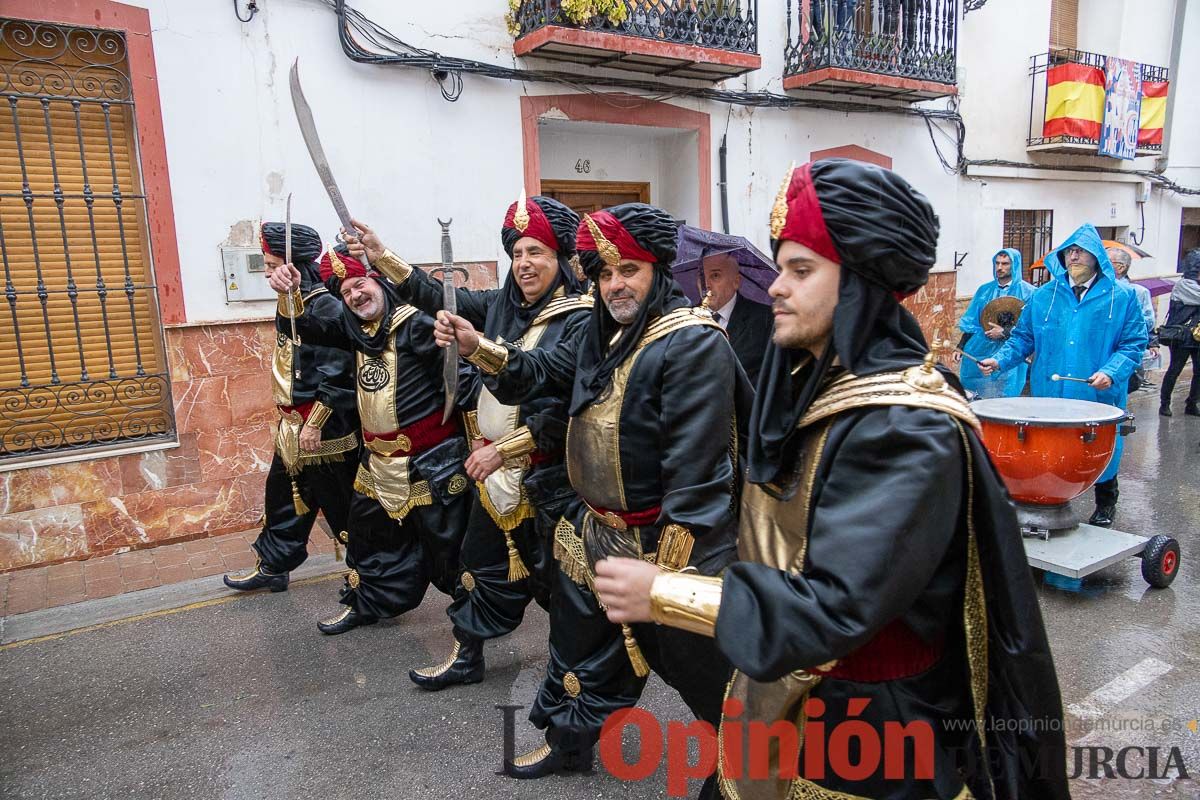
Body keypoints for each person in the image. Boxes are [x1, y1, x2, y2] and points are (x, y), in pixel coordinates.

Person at [594, 158, 1070, 799]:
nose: (777, 288)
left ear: (862, 285)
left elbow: (836, 607)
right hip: (783, 694)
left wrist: (666, 593)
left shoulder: (906, 426)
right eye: (780, 266)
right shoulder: (818, 384)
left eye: (801, 269)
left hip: (872, 734)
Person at [433, 203, 746, 788]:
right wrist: (477, 345)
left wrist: (663, 579)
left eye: (627, 269)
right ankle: (569, 744)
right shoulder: (603, 335)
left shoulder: (691, 343)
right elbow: (536, 372)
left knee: (706, 679)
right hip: (592, 532)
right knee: (574, 652)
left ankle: (747, 768)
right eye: (603, 273)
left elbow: (698, 476)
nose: (614, 284)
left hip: (669, 551)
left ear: (656, 270)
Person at [343, 196, 591, 690]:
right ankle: (467, 655)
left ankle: (575, 687)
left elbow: (563, 409)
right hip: (489, 470)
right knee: (477, 569)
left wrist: (505, 446)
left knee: (559, 589)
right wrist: (380, 254)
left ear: (561, 258)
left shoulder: (581, 319)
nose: (524, 264)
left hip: (547, 481)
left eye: (537, 252)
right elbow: (438, 296)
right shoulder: (502, 305)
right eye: (517, 253)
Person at [266, 244, 477, 634]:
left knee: (450, 550)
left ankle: (474, 622)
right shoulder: (353, 329)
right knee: (369, 541)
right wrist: (289, 292)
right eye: (345, 292)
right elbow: (302, 328)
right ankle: (370, 602)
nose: (354, 295)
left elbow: (463, 384)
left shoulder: (418, 325)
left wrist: (479, 443)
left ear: (378, 281)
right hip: (376, 465)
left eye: (360, 284)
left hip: (432, 462)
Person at [981, 224, 1147, 528]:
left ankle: (1105, 502)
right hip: (1050, 393)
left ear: (1097, 257)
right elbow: (1022, 338)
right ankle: (1047, 503)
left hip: (1096, 392)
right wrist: (999, 359)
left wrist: (1111, 372)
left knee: (1099, 447)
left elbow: (1133, 343)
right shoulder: (1045, 295)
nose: (1074, 256)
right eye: (1069, 251)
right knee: (1048, 450)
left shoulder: (1122, 297)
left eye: (1081, 251)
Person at [223, 223, 359, 593]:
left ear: (291, 263)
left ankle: (368, 579)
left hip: (324, 430)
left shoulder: (326, 305)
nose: (266, 270)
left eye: (271, 263)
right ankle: (274, 564)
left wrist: (315, 423)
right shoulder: (293, 301)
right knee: (282, 499)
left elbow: (339, 373)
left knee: (342, 506)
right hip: (292, 429)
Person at [953, 248, 1034, 398]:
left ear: (1014, 265)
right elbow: (973, 321)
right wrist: (960, 346)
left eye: (1005, 263)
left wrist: (1004, 332)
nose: (999, 267)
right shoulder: (984, 290)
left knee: (1003, 397)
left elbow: (1030, 327)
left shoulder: (1029, 293)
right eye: (997, 263)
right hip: (979, 348)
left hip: (1009, 352)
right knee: (973, 394)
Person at [700, 251, 774, 384]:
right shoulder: (685, 319)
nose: (706, 284)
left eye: (715, 275)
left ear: (736, 281)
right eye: (701, 276)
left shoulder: (766, 319)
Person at [1108, 246, 1157, 391]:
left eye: (1107, 261)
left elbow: (1147, 323)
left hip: (1120, 352)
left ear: (1120, 267)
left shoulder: (1137, 292)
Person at [1158, 248, 1200, 416]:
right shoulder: (1184, 286)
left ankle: (1192, 403)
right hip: (1182, 337)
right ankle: (1164, 403)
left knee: (1199, 372)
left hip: (1197, 337)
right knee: (1175, 370)